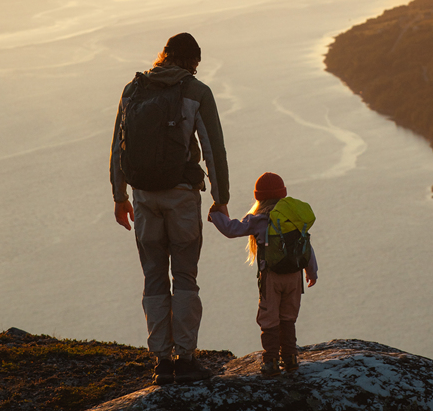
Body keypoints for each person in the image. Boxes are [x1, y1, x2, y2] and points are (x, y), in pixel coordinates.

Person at [110, 31, 229, 386]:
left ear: (164, 55)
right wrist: (219, 198)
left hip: (144, 197)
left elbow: (118, 146)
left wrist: (120, 197)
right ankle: (186, 358)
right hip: (181, 198)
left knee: (154, 277)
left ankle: (162, 361)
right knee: (186, 276)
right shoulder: (196, 92)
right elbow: (213, 150)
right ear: (192, 61)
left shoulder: (134, 90)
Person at [208, 171, 317, 377]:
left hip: (271, 277)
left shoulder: (259, 219)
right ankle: (291, 358)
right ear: (283, 194)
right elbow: (306, 247)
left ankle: (271, 362)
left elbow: (232, 230)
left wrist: (215, 215)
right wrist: (311, 272)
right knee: (288, 317)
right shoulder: (293, 218)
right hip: (294, 277)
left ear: (259, 197)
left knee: (269, 319)